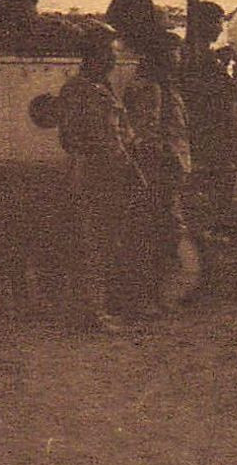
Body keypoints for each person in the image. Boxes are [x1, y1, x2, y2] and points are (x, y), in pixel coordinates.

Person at [56, 28, 140, 333]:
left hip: (109, 175)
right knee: (91, 244)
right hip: (94, 176)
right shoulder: (79, 91)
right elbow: (82, 138)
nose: (115, 59)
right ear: (95, 55)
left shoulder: (100, 89)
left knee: (104, 243)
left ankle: (94, 309)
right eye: (111, 53)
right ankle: (90, 313)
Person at [124, 33, 194, 315]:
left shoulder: (165, 87)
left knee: (166, 234)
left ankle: (157, 296)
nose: (178, 59)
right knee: (156, 233)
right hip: (157, 173)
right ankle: (146, 298)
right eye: (174, 54)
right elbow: (146, 135)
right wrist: (161, 168)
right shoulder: (150, 89)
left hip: (169, 172)